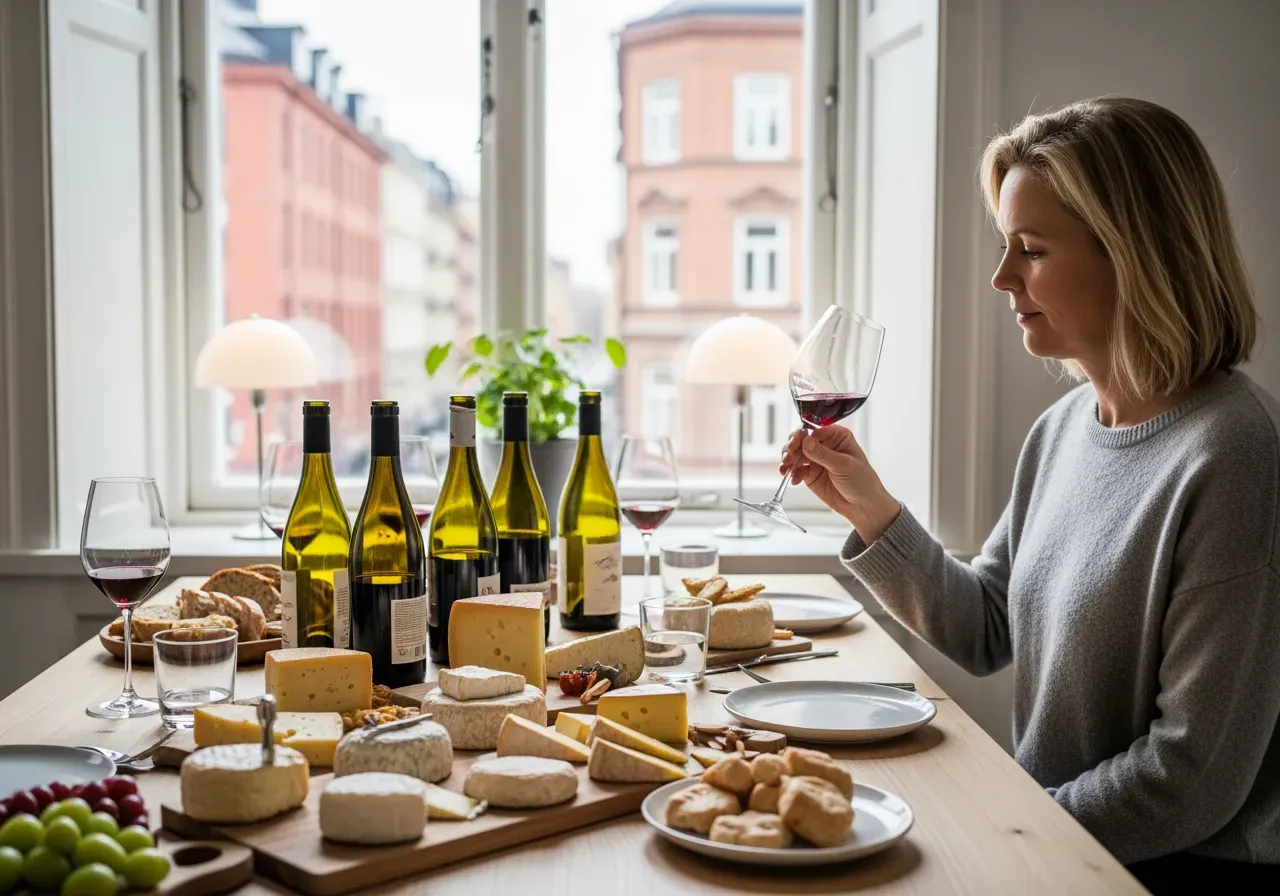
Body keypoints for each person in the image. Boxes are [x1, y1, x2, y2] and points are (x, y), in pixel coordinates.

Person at [781, 97, 1280, 893]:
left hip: (1153, 870)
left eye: (1032, 250)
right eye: (1004, 245)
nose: (1001, 276)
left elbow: (1193, 776)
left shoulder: (1235, 455)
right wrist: (869, 507)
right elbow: (989, 626)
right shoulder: (1063, 428)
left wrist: (997, 834)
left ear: (1136, 254)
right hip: (1050, 846)